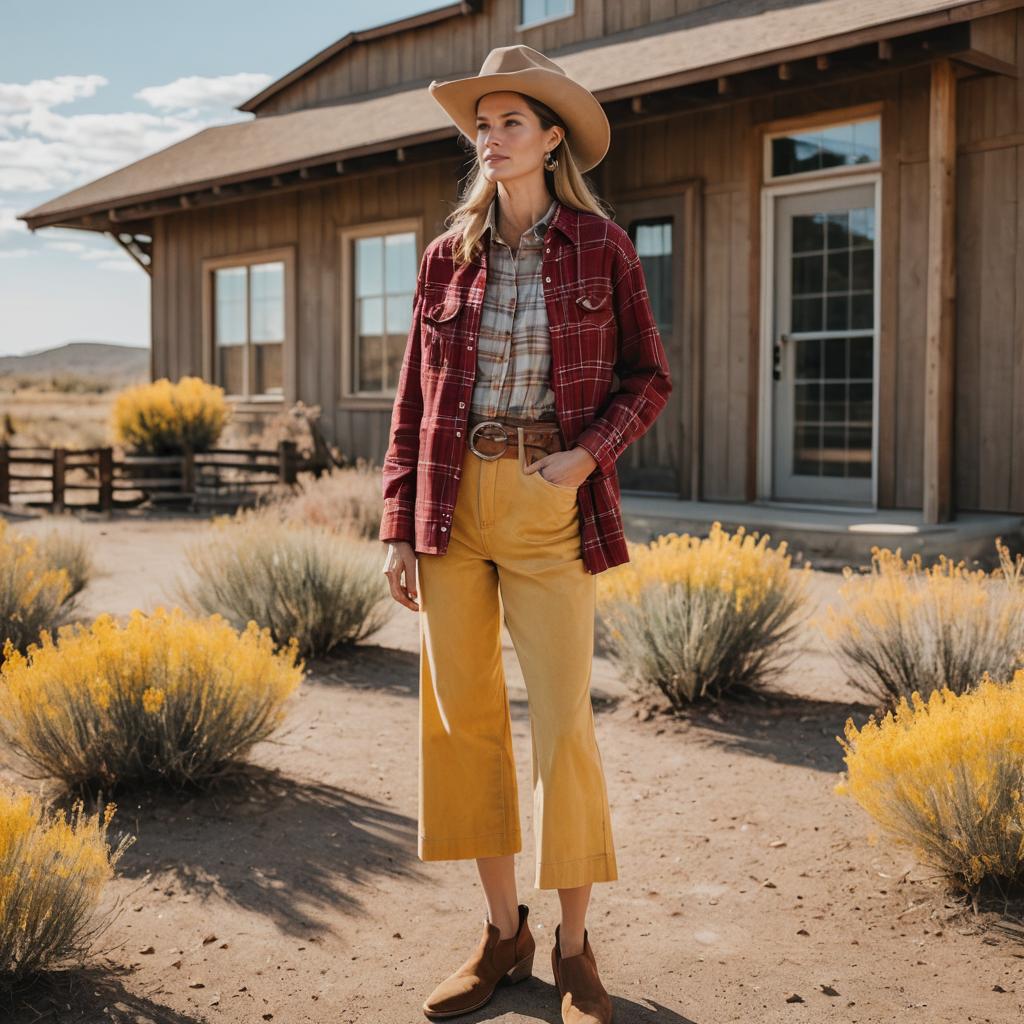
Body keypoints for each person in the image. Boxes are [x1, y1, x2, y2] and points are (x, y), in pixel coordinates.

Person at [378, 44, 672, 1024]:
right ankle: (504, 934)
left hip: (550, 499)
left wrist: (586, 459)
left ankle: (576, 946)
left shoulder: (601, 247)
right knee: (462, 726)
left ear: (551, 138)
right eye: (481, 123)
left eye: (510, 121)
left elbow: (648, 378)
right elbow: (414, 403)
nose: (491, 138)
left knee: (563, 731)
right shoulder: (443, 257)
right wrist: (396, 526)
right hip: (451, 508)